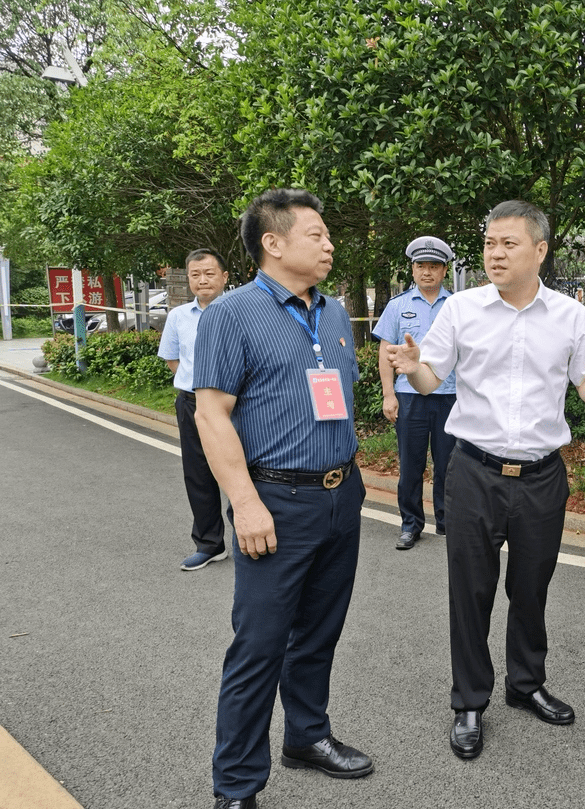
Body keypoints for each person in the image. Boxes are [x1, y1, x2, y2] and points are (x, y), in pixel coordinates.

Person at [387, 200, 585, 761]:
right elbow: (430, 379)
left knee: (531, 587)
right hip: (474, 470)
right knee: (470, 591)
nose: (494, 253)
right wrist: (412, 365)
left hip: (543, 476)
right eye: (489, 243)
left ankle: (526, 685)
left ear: (540, 250)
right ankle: (470, 701)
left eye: (508, 244)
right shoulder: (463, 310)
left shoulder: (569, 314)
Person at [193, 189, 372, 809]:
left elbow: (336, 398)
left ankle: (307, 735)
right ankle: (237, 783)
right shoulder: (231, 314)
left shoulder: (332, 311)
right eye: (316, 235)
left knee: (319, 632)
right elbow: (211, 416)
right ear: (273, 243)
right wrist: (244, 503)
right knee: (259, 645)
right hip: (274, 500)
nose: (329, 245)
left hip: (340, 494)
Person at [373, 236, 457, 550]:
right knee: (411, 465)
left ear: (444, 270)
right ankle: (410, 524)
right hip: (409, 397)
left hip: (449, 395)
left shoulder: (457, 306)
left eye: (433, 266)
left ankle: (447, 522)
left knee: (449, 464)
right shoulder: (398, 306)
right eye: (421, 265)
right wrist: (388, 394)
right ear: (412, 268)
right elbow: (385, 352)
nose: (427, 272)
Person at [158, 248, 230, 571]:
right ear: (188, 279)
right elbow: (174, 360)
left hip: (236, 403)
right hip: (192, 402)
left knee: (246, 468)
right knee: (198, 474)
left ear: (225, 277)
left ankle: (248, 538)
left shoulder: (239, 312)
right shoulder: (178, 317)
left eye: (209, 273)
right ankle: (210, 543)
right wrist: (196, 388)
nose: (202, 280)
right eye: (195, 275)